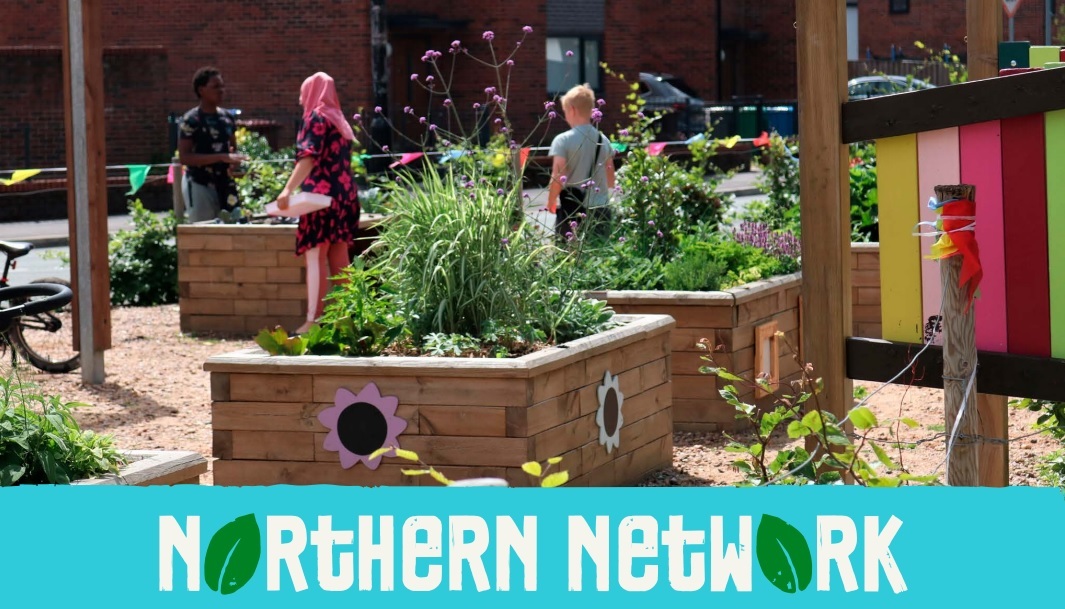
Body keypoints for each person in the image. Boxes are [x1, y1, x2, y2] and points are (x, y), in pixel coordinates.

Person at [277, 72, 361, 335]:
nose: (302, 101)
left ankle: (312, 322)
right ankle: (351, 317)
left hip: (320, 198)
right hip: (345, 197)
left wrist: (287, 189)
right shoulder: (341, 122)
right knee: (340, 255)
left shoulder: (316, 118)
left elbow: (308, 158)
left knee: (315, 255)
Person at [547, 83, 616, 242]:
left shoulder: (563, 140)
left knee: (568, 257)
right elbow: (611, 180)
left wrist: (551, 201)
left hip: (572, 212)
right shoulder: (603, 140)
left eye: (564, 111)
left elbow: (558, 175)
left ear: (572, 109)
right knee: (600, 257)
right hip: (600, 210)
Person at [177, 66, 247, 222]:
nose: (221, 90)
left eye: (222, 86)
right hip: (199, 183)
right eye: (216, 87)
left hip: (225, 183)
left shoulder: (227, 117)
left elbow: (232, 147)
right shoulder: (191, 120)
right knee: (205, 231)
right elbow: (185, 157)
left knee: (234, 227)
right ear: (201, 90)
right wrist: (221, 157)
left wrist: (234, 162)